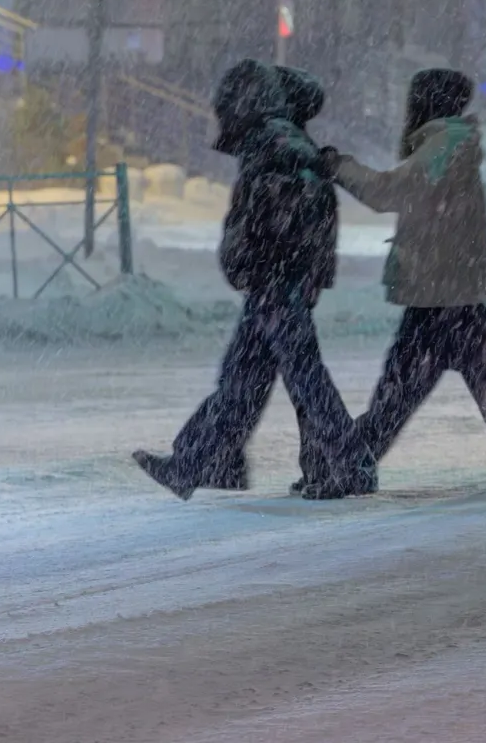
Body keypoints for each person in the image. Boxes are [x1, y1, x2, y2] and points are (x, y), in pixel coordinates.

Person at [134, 61, 372, 501]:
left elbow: (265, 219)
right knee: (245, 378)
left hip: (275, 280)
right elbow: (311, 216)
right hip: (284, 279)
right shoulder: (286, 140)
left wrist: (246, 261)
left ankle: (350, 465)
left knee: (298, 378)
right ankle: (204, 463)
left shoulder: (273, 144)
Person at [333, 68, 486, 490]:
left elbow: (387, 191)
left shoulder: (443, 147)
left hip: (439, 291)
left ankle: (351, 466)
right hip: (454, 289)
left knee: (400, 389)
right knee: (481, 381)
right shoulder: (453, 144)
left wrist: (340, 167)